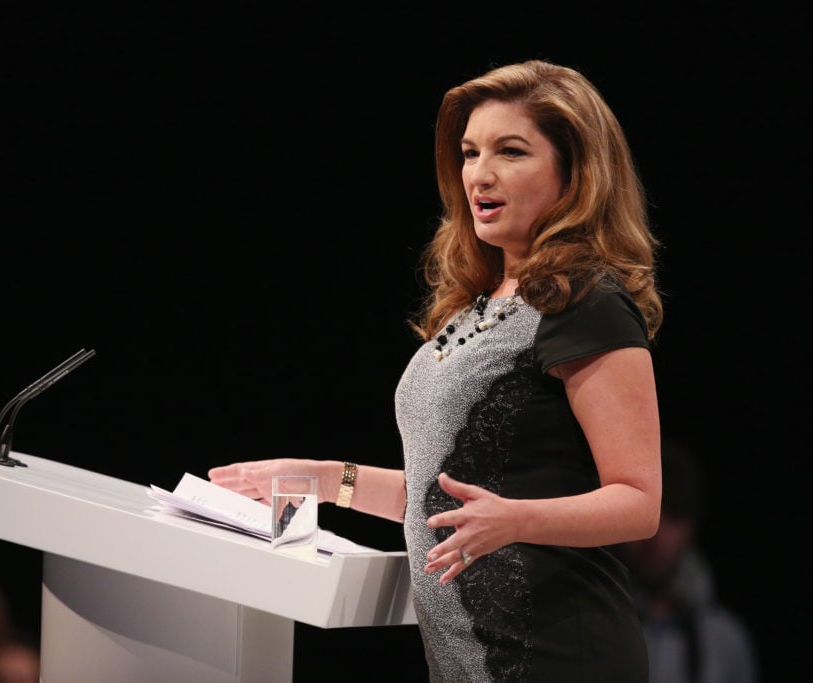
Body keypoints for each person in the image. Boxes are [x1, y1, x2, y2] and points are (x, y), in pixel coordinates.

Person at [209, 58, 664, 682]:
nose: (480, 173)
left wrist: (516, 518)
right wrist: (320, 479)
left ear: (575, 174)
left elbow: (639, 502)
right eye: (470, 152)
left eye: (511, 151)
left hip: (556, 654)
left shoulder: (587, 301)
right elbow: (443, 495)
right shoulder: (480, 301)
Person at [615, 438, 760, 682]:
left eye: (673, 515)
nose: (656, 534)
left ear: (690, 527)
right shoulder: (597, 625)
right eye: (645, 516)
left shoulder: (724, 640)